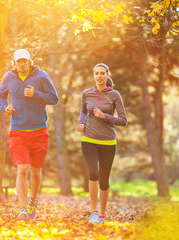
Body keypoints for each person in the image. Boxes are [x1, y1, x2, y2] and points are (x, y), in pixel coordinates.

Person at [0, 49, 58, 220]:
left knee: (35, 172)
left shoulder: (41, 76)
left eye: (24, 61)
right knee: (22, 169)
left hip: (39, 131)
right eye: (18, 61)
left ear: (30, 61)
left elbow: (54, 98)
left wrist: (35, 94)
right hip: (18, 131)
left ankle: (33, 200)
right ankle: (23, 210)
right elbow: (0, 96)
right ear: (14, 63)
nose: (22, 64)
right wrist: (4, 107)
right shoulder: (8, 78)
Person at [77, 63, 127, 224]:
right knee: (93, 173)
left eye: (102, 73)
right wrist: (81, 123)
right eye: (96, 73)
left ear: (107, 75)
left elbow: (123, 120)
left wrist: (104, 116)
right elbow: (84, 111)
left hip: (108, 142)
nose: (99, 76)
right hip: (89, 139)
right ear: (94, 75)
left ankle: (103, 215)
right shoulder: (87, 93)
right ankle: (93, 211)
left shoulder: (114, 95)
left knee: (104, 180)